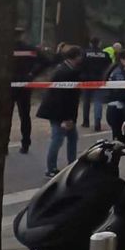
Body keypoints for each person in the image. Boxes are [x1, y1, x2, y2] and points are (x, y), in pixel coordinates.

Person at [36, 45, 84, 177]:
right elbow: (62, 97)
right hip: (59, 112)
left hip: (61, 111)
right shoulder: (65, 72)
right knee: (57, 139)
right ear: (76, 57)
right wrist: (66, 118)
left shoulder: (66, 69)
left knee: (71, 137)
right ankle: (51, 168)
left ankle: (72, 164)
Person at [11, 29, 44, 153]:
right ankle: (25, 143)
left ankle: (3, 144)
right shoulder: (30, 49)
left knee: (5, 115)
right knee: (24, 115)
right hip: (25, 84)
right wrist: (32, 74)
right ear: (22, 36)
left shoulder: (3, 49)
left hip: (8, 84)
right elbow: (45, 61)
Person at [105, 49, 125, 144]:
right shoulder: (118, 74)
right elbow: (121, 92)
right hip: (116, 110)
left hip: (124, 109)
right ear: (122, 60)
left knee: (122, 143)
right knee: (118, 143)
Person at [81, 37, 110, 131]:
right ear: (99, 43)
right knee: (98, 101)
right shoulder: (104, 54)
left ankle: (86, 122)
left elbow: (81, 65)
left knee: (86, 101)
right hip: (99, 80)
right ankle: (97, 123)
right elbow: (109, 66)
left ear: (90, 43)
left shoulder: (85, 53)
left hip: (87, 80)